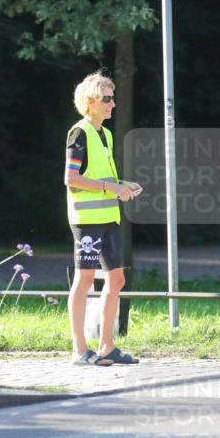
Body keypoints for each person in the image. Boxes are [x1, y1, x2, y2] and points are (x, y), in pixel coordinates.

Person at [64, 71, 143, 366]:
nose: (113, 104)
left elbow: (102, 177)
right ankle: (80, 351)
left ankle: (107, 346)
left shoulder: (105, 133)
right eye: (107, 99)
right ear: (91, 102)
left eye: (113, 98)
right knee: (84, 280)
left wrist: (123, 186)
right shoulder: (79, 133)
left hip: (109, 217)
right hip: (86, 219)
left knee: (117, 279)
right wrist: (113, 187)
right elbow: (71, 179)